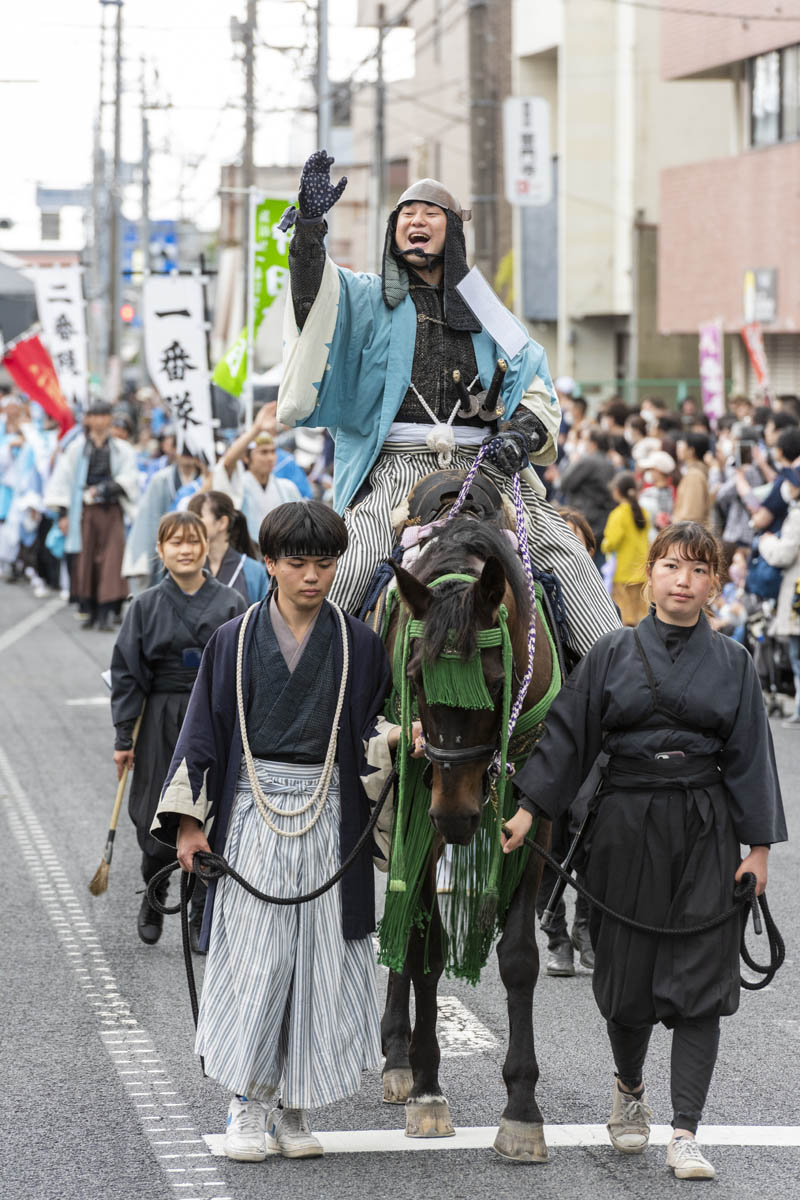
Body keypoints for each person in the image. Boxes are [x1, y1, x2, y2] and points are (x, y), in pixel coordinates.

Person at [503, 521, 786, 1181]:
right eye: (671, 566)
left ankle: (685, 1130)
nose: (683, 580)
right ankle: (630, 1088)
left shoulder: (735, 663)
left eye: (698, 569)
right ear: (650, 575)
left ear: (714, 583)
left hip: (704, 829)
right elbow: (569, 736)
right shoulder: (610, 652)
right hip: (623, 826)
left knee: (702, 982)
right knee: (623, 984)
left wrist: (759, 849)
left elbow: (751, 759)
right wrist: (527, 808)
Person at [150, 500, 418, 1163]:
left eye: (325, 563)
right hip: (253, 812)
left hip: (330, 813)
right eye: (297, 563)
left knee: (320, 962)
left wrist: (399, 739)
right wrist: (189, 827)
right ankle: (247, 1101)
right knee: (256, 958)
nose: (312, 576)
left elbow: (367, 734)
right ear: (267, 563)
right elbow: (202, 735)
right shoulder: (232, 639)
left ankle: (295, 1106)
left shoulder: (358, 643)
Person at [278, 151, 619, 659]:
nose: (417, 221)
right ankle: (311, 684)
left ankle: (613, 693)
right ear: (394, 229)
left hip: (486, 468)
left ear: (453, 233)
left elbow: (534, 380)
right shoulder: (366, 296)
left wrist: (520, 436)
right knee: (349, 565)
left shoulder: (486, 309)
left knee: (569, 557)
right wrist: (310, 229)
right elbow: (315, 300)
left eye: (431, 214)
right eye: (407, 215)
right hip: (396, 470)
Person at [110, 511, 247, 946]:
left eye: (193, 541)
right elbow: (127, 674)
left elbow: (245, 666)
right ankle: (155, 889)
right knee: (156, 809)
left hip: (214, 715)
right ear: (160, 551)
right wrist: (122, 736)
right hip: (160, 718)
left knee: (211, 808)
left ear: (207, 547)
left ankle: (201, 906)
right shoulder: (144, 605)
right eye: (175, 543)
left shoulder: (230, 603)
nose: (185, 550)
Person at [44, 400, 140, 630]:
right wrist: (64, 514)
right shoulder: (77, 449)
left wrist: (107, 488)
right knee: (86, 560)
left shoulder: (121, 449)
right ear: (88, 419)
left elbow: (129, 478)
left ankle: (108, 613)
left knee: (112, 560)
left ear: (108, 418)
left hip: (111, 510)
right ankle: (91, 611)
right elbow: (63, 482)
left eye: (103, 415)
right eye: (94, 416)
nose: (99, 421)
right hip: (84, 512)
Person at [212, 406, 302, 541]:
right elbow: (227, 464)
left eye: (273, 452)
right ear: (246, 458)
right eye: (263, 452)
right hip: (249, 554)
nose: (270, 458)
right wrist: (257, 429)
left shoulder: (287, 488)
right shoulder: (238, 485)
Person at [123, 450, 205, 589]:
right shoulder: (161, 479)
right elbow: (149, 519)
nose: (187, 455)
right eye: (183, 450)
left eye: (191, 450)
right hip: (166, 545)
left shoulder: (205, 479)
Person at [758, 466, 800, 728]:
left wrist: (766, 542)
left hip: (797, 591)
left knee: (798, 656)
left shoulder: (797, 516)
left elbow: (783, 554)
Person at [188, 489, 269, 605]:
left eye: (198, 517)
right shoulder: (187, 565)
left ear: (222, 522)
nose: (190, 524)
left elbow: (263, 615)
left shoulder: (253, 571)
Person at [601, 472, 650, 627]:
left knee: (625, 617)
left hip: (623, 573)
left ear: (617, 491)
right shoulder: (643, 512)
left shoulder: (618, 514)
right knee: (641, 615)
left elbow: (611, 542)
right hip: (641, 571)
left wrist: (604, 545)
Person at [673, 433, 710, 526]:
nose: (679, 447)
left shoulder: (694, 475)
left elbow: (691, 515)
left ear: (691, 451)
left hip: (689, 535)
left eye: (683, 444)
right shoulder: (695, 472)